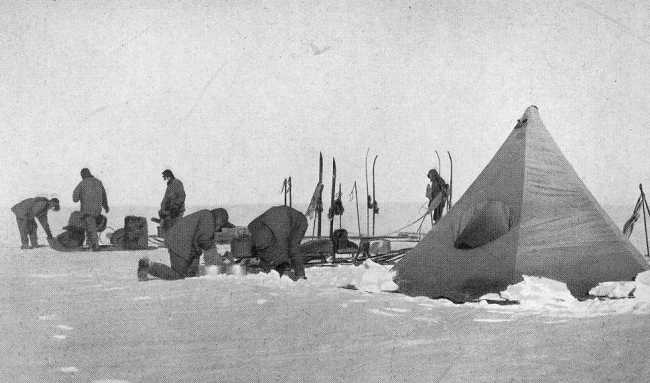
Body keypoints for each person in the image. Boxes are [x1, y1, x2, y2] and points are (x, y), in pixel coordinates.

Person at [137, 208, 232, 281]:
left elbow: (202, 239)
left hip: (187, 245)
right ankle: (148, 266)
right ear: (219, 220)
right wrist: (219, 262)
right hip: (179, 243)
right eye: (221, 225)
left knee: (192, 274)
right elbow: (205, 242)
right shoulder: (208, 220)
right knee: (178, 275)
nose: (219, 228)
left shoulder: (206, 216)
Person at [247, 205, 308, 280]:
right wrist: (255, 257)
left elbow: (280, 258)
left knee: (293, 248)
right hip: (280, 218)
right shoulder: (253, 228)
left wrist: (262, 263)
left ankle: (300, 274)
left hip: (298, 222)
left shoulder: (281, 238)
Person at [72, 168, 109, 251]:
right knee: (91, 227)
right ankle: (90, 243)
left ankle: (95, 246)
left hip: (87, 211)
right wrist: (106, 206)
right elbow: (104, 195)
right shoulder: (98, 182)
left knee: (90, 228)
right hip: (97, 211)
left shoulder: (82, 183)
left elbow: (75, 198)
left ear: (82, 175)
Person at [157, 169, 186, 236]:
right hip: (169, 211)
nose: (164, 178)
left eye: (164, 177)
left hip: (176, 211)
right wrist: (162, 209)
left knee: (175, 228)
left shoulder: (177, 183)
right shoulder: (170, 185)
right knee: (167, 228)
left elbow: (181, 196)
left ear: (169, 176)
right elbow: (166, 199)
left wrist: (175, 207)